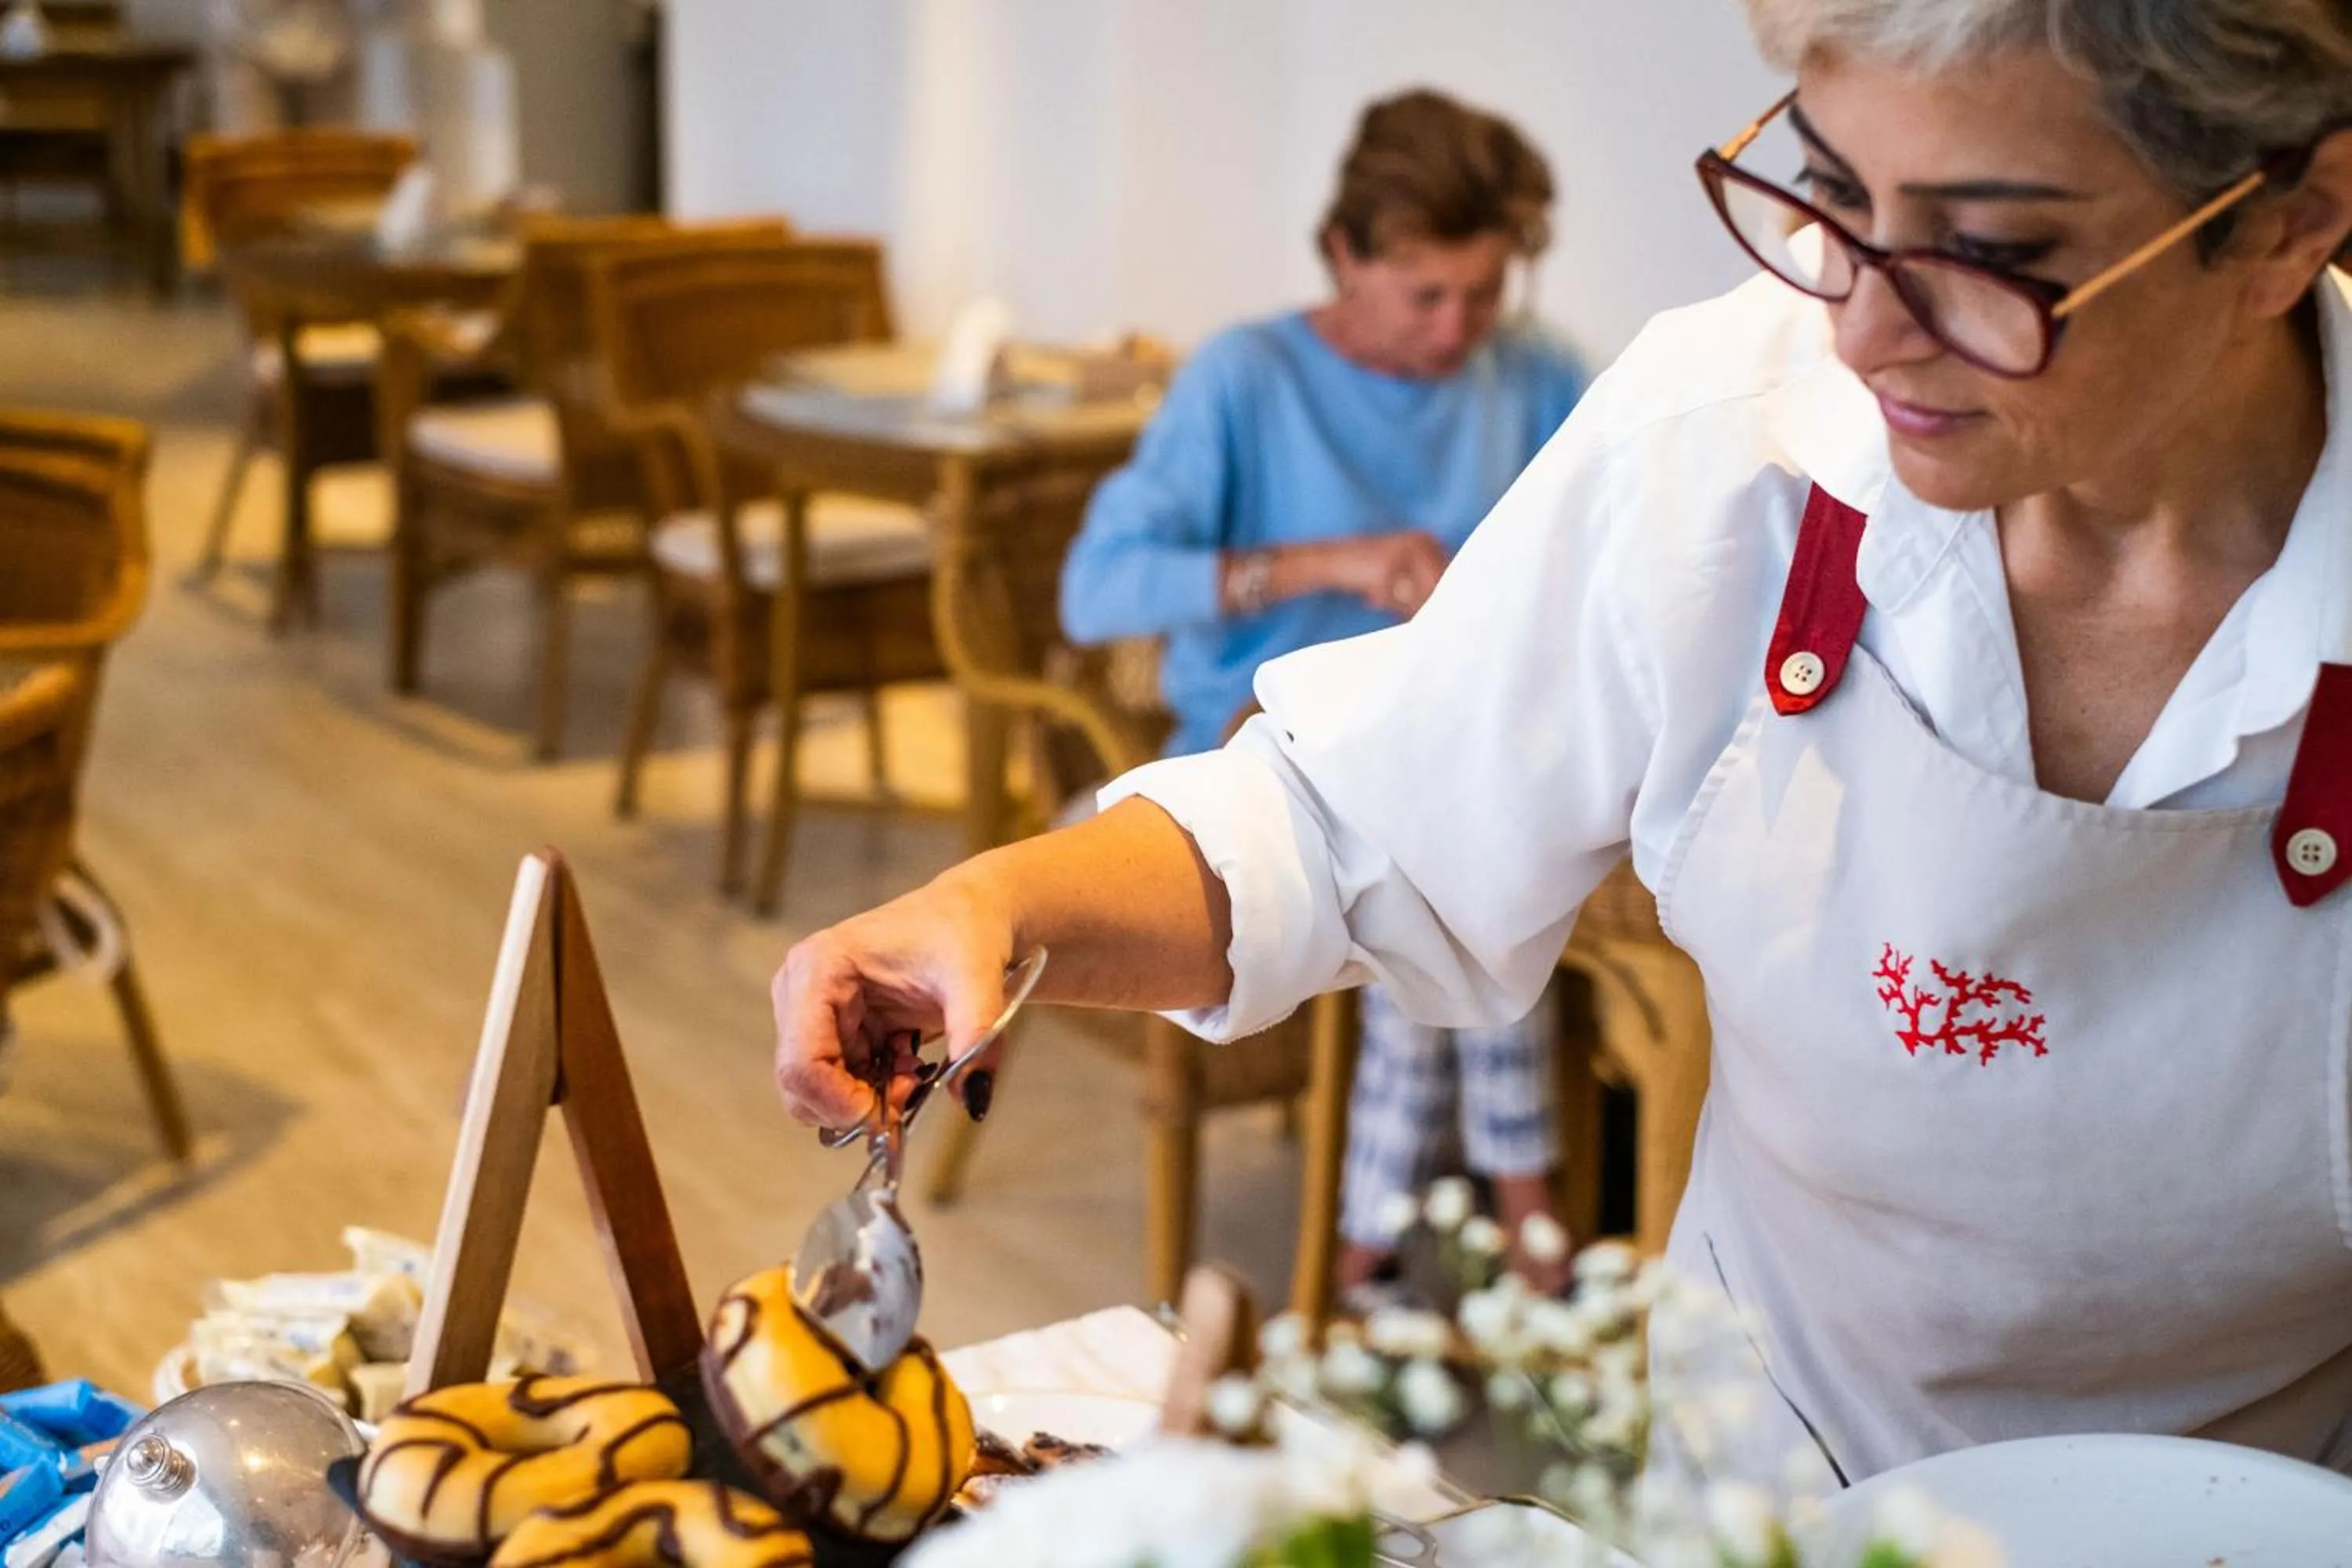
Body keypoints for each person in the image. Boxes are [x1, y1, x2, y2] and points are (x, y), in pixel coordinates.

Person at [772, 0, 2352, 1483]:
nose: (1864, 330)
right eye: (1830, 193)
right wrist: (1006, 906)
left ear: (2288, 222)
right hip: (1767, 1483)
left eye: (1988, 253)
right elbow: (1341, 822)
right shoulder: (1729, 435)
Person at [1057, 88, 1590, 1290]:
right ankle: (1520, 1218)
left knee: (1479, 840)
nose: (1461, 331)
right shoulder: (1244, 380)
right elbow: (1095, 592)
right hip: (1266, 760)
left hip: (1469, 752)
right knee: (1444, 857)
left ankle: (1383, 1243)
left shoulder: (1535, 371)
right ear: (1346, 253)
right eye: (1427, 296)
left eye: (1485, 292)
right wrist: (1325, 564)